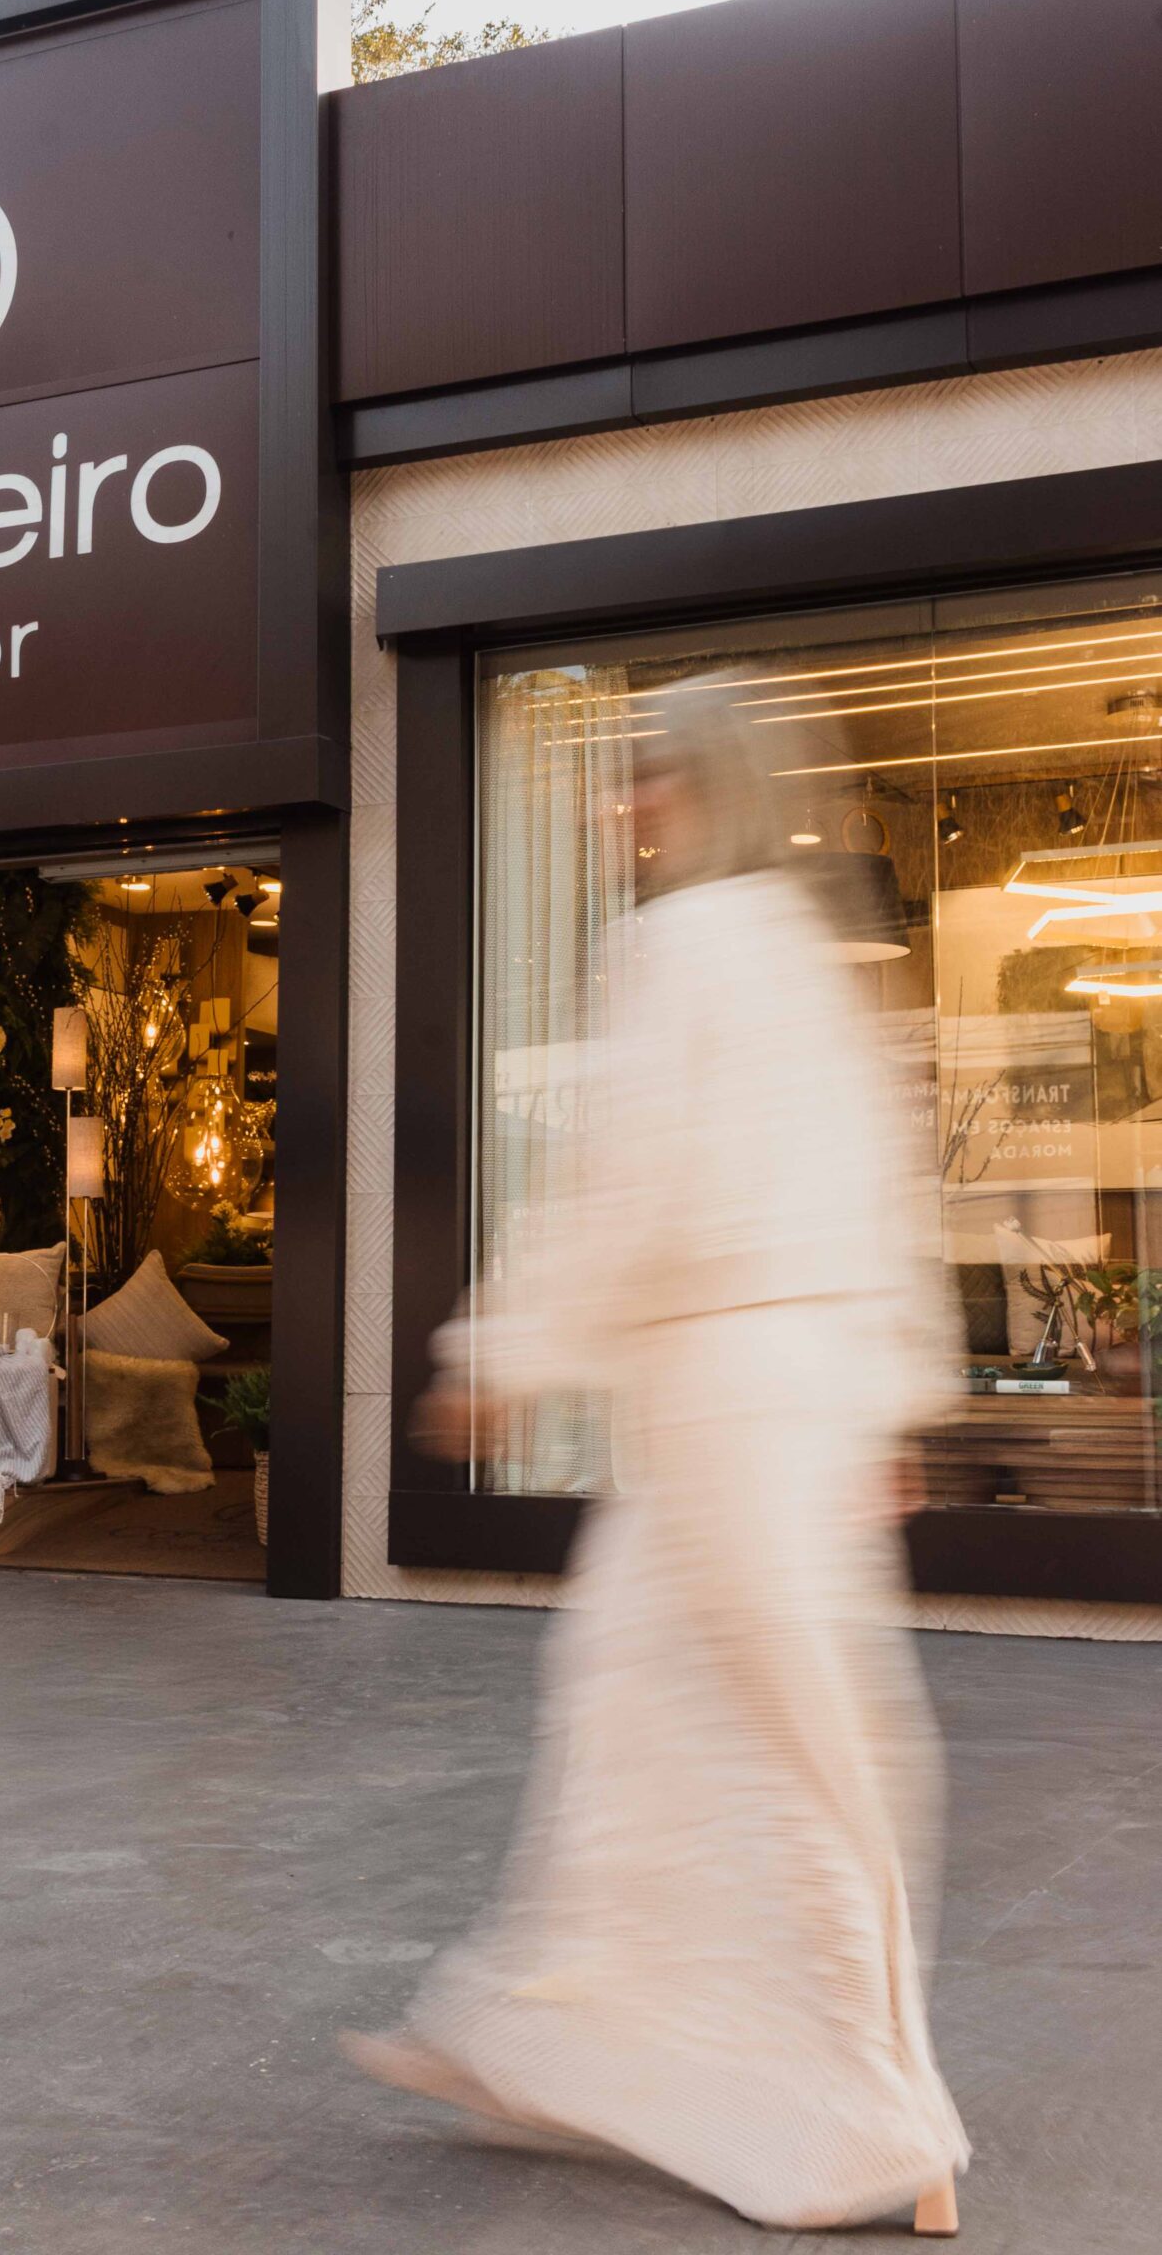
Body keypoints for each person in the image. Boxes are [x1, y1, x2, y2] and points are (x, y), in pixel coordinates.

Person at [345, 678, 969, 2236]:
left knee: (771, 1737)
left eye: (652, 779)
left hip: (721, 1398)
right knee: (653, 1702)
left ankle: (875, 2116)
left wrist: (501, 1354)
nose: (625, 807)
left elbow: (624, 1185)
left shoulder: (681, 943)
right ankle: (548, 2039)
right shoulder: (801, 953)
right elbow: (881, 1189)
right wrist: (891, 1395)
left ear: (713, 789)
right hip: (794, 1390)